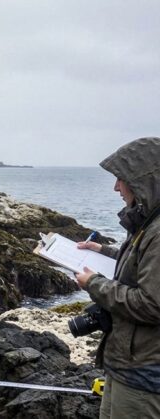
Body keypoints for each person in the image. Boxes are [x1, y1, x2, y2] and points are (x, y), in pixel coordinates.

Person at [75, 137, 160, 418]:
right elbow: (144, 268)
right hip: (128, 365)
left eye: (121, 179)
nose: (116, 187)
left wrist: (95, 285)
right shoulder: (149, 223)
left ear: (143, 181)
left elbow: (151, 303)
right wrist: (105, 251)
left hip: (144, 373)